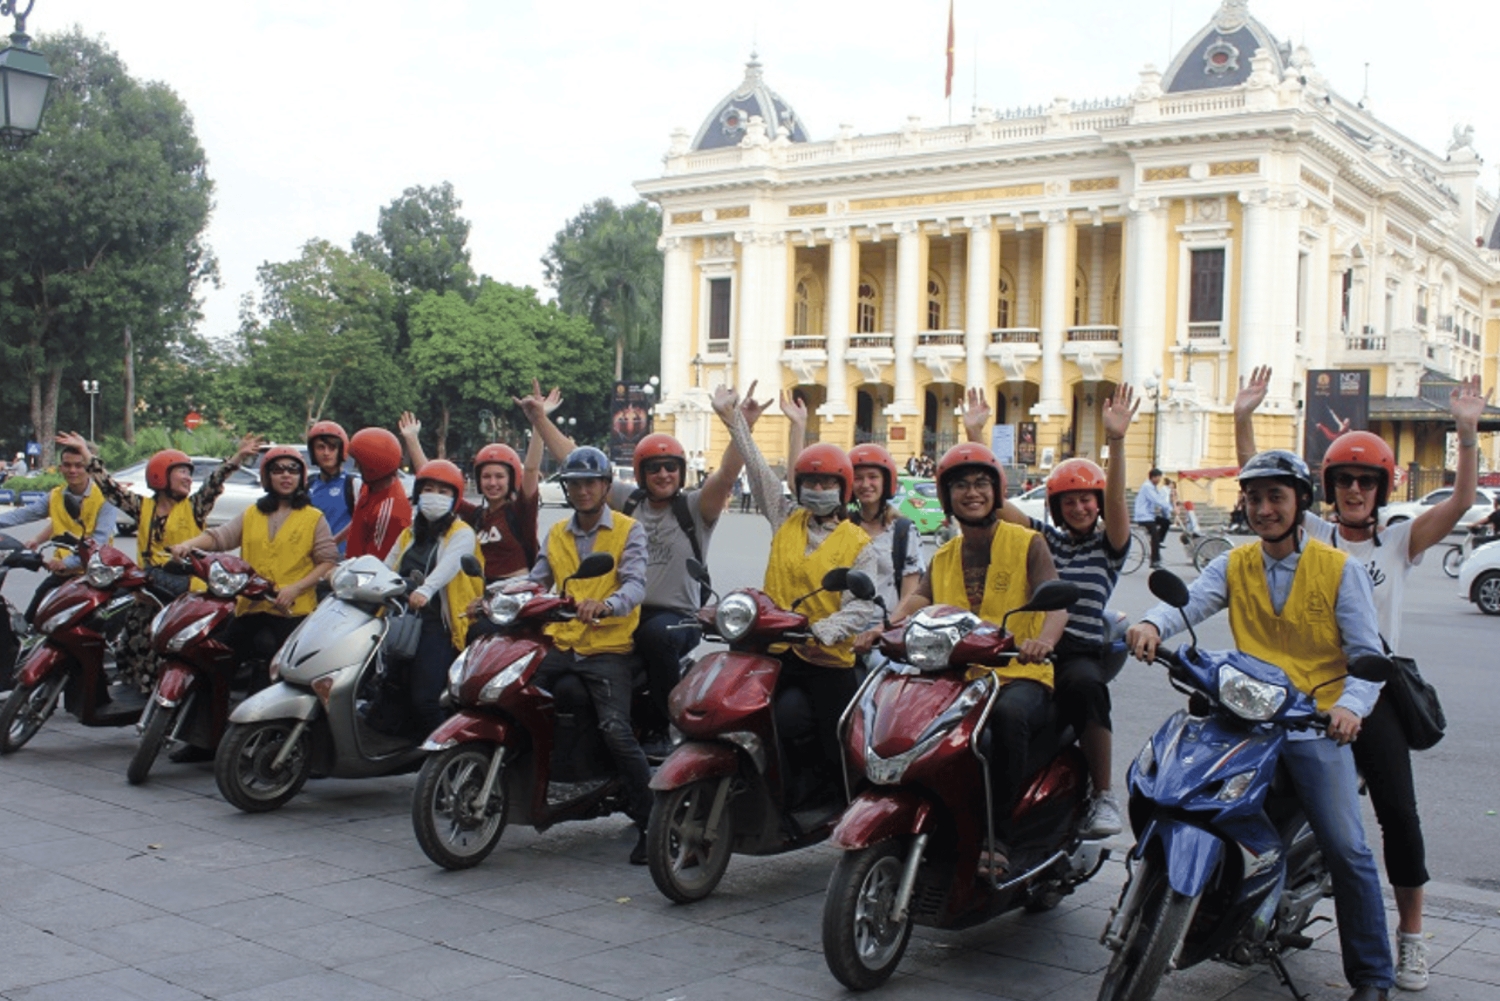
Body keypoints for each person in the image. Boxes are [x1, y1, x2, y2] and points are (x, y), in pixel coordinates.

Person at [1236, 365, 1491, 992]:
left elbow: (1459, 501)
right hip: (1306, 688)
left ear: (1381, 488)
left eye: (1366, 481)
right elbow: (1262, 487)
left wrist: (1465, 432)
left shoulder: (1399, 542)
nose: (1354, 489)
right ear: (1328, 488)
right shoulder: (1314, 532)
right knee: (1264, 798)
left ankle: (1409, 938)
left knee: (1398, 817)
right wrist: (1244, 418)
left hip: (1373, 692)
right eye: (1345, 479)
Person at [1126, 450, 1394, 1001]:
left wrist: (1350, 707)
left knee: (1348, 847)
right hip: (1242, 719)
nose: (1265, 509)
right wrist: (1152, 623)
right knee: (1173, 791)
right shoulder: (1232, 563)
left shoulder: (1340, 571)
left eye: (1276, 497)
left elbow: (1368, 655)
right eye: (1254, 498)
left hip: (1310, 726)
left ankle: (1372, 975)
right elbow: (1190, 604)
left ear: (1300, 503)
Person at [519, 378, 756, 753]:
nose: (663, 475)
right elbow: (577, 461)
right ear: (642, 473)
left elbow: (727, 474)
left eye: (671, 468)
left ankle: (663, 727)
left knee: (653, 636)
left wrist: (738, 422)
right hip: (626, 609)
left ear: (680, 471)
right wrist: (539, 420)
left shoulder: (696, 507)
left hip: (676, 616)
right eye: (655, 468)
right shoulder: (628, 503)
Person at [865, 443, 1068, 858]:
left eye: (980, 484)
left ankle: (1000, 835)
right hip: (957, 675)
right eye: (961, 486)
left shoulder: (1028, 543)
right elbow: (917, 601)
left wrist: (1043, 641)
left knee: (1007, 722)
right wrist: (885, 628)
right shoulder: (944, 555)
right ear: (947, 496)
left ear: (996, 491)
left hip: (1017, 674)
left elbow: (1056, 603)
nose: (972, 493)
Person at [962, 384, 1136, 838]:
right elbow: (995, 504)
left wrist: (1116, 443)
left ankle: (1103, 796)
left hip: (1075, 649)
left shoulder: (1109, 547)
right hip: (1029, 647)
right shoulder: (1046, 539)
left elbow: (1118, 504)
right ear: (1056, 506)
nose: (1080, 507)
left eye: (1087, 499)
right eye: (1070, 500)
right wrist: (975, 434)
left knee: (1087, 687)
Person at [716, 391, 878, 807]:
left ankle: (845, 803)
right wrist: (733, 420)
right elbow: (756, 469)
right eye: (810, 482)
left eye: (826, 483)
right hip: (772, 648)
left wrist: (827, 628)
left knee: (833, 735)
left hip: (826, 659)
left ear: (843, 489)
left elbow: (862, 606)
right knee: (740, 711)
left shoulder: (860, 544)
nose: (818, 489)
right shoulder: (786, 518)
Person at [56, 430, 262, 697]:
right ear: (161, 476)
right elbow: (109, 488)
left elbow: (214, 482)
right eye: (182, 473)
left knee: (165, 651)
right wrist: (85, 453)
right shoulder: (143, 508)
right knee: (130, 642)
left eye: (189, 474)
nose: (189, 478)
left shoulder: (196, 506)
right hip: (148, 594)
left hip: (183, 595)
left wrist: (236, 459)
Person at [526, 446, 652, 864]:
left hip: (606, 645)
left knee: (616, 729)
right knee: (515, 696)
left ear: (605, 486)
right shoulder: (557, 533)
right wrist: (500, 598)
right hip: (562, 642)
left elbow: (635, 584)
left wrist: (608, 604)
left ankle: (651, 820)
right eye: (575, 483)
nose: (582, 491)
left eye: (590, 483)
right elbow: (536, 579)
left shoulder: (628, 530)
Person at [170, 447, 338, 695]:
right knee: (216, 661)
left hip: (292, 611)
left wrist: (296, 588)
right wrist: (187, 545)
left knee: (281, 677)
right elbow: (220, 537)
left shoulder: (313, 518)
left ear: (301, 477)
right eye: (278, 470)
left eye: (292, 470)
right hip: (251, 607)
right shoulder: (253, 513)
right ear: (267, 476)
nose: (285, 475)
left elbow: (327, 562)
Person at [379, 460, 483, 738]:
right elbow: (386, 566)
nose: (434, 496)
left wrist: (425, 591)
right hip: (402, 623)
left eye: (443, 491)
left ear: (455, 498)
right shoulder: (410, 533)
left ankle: (445, 756)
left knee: (425, 699)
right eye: (428, 489)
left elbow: (449, 566)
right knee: (385, 689)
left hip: (440, 626)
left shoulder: (462, 533)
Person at [399, 399, 552, 584]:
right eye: (486, 476)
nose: (492, 482)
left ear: (512, 479)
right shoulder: (477, 516)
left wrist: (539, 421)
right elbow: (435, 478)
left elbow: (531, 469)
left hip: (514, 593)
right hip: (479, 594)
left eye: (499, 476)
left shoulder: (520, 511)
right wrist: (412, 439)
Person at [0, 439, 121, 623]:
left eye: (79, 465)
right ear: (60, 468)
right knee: (33, 621)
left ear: (88, 467)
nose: (73, 470)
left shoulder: (105, 498)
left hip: (95, 576)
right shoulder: (56, 496)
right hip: (62, 575)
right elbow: (24, 515)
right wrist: (37, 540)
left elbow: (99, 541)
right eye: (67, 465)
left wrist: (67, 563)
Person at [345, 426, 412, 561]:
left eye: (360, 463)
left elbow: (374, 564)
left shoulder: (389, 513)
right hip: (351, 562)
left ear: (373, 466)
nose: (356, 467)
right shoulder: (370, 487)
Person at [305, 421, 356, 554]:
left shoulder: (352, 484)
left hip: (342, 562)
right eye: (320, 447)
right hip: (312, 561)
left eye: (332, 447)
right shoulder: (308, 485)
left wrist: (333, 542)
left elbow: (361, 520)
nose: (326, 453)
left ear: (341, 450)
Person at [1133, 467, 1172, 568]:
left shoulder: (1152, 487)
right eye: (1158, 478)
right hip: (1143, 516)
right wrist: (1171, 508)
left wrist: (1167, 510)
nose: (1159, 481)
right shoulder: (1147, 487)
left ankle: (1158, 542)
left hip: (1150, 515)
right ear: (1153, 477)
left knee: (1166, 522)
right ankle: (1155, 561)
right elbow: (1156, 500)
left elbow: (1159, 500)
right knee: (1154, 535)